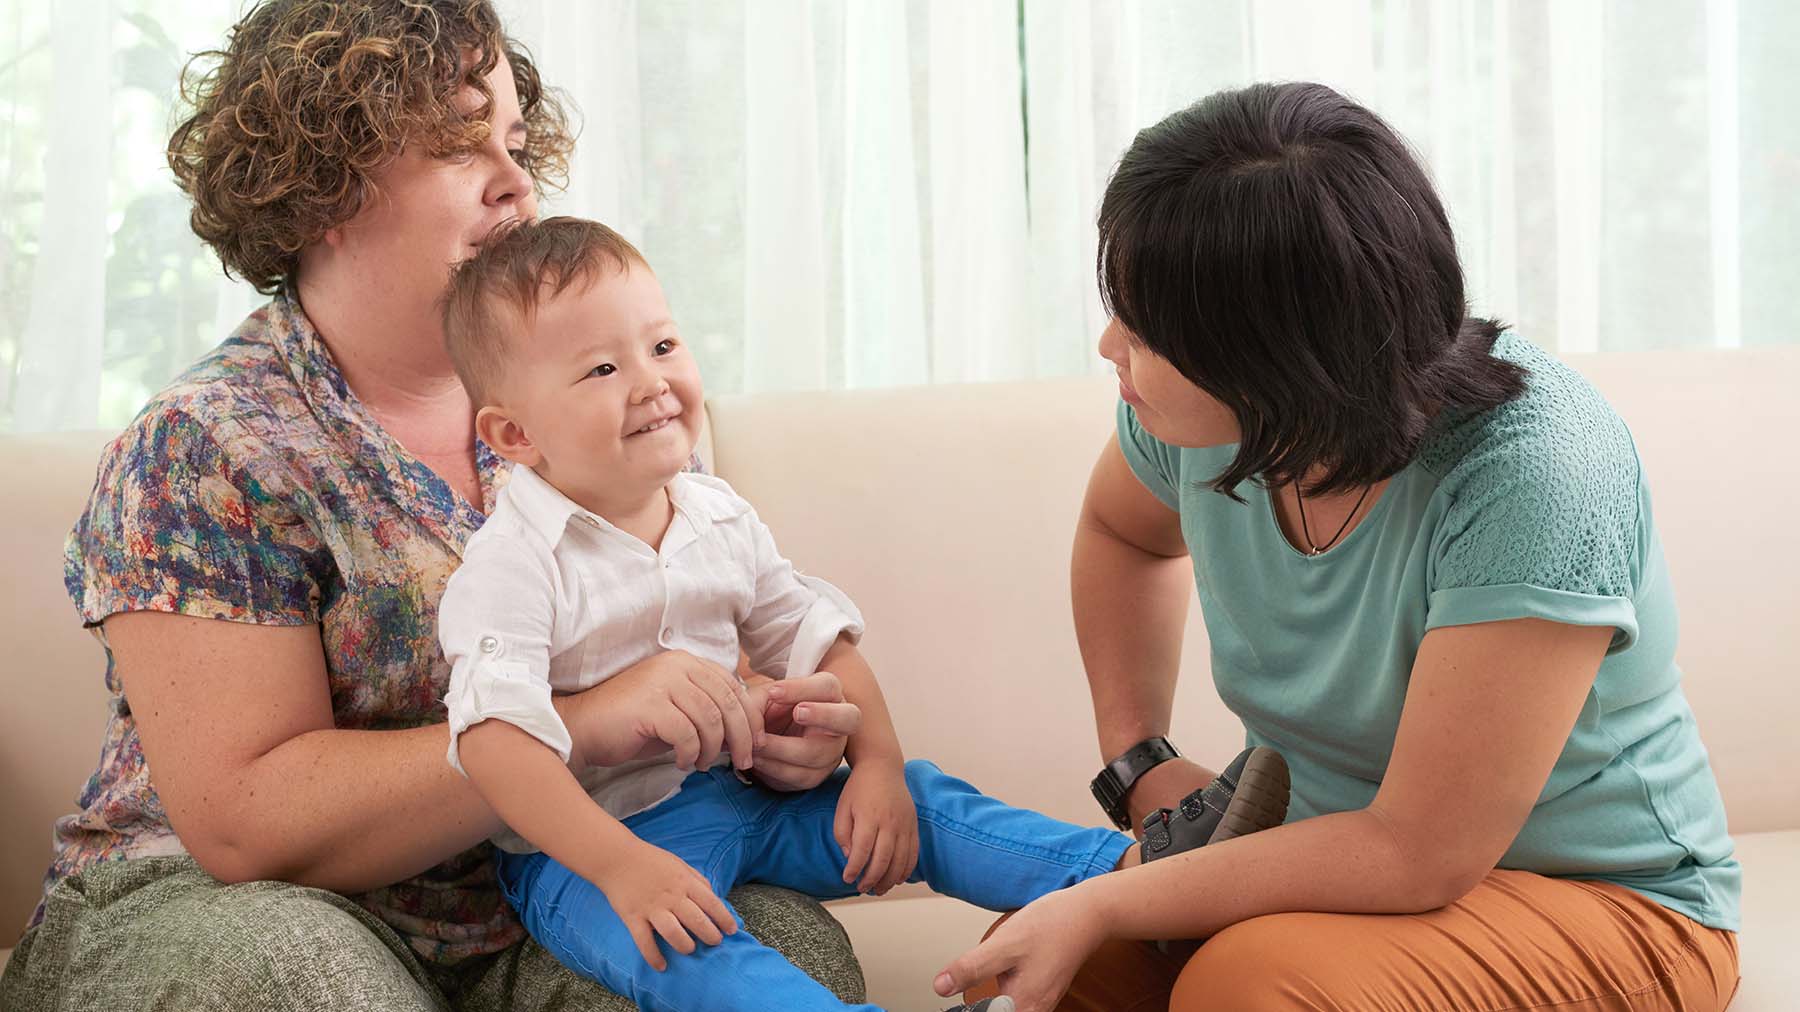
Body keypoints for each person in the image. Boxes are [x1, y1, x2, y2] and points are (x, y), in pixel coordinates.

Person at [0, 3, 867, 1009]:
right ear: (318, 185)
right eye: (461, 146)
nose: (516, 178)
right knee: (294, 978)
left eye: (511, 139)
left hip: (535, 892)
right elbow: (245, 821)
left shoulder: (602, 394)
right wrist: (579, 728)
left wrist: (763, 729)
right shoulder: (210, 443)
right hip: (230, 904)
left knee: (774, 945)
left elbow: (705, 644)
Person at [934, 82, 1742, 1012]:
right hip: (1344, 871)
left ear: (1275, 357)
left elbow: (1417, 850)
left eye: (1148, 330)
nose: (1110, 345)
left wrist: (1114, 898)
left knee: (1245, 989)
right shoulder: (1200, 421)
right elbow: (1122, 532)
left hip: (1606, 903)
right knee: (1029, 966)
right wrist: (1137, 761)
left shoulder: (1535, 471)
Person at [435, 215, 1146, 1012]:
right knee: (684, 952)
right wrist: (618, 867)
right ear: (515, 434)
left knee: (921, 797)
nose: (650, 381)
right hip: (588, 851)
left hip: (739, 798)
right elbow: (495, 744)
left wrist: (874, 765)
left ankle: (1140, 873)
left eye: (663, 347)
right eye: (602, 368)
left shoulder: (715, 515)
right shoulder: (511, 564)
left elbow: (821, 643)